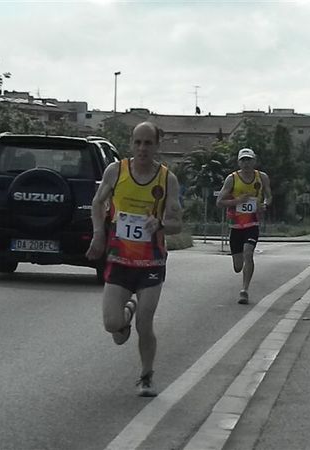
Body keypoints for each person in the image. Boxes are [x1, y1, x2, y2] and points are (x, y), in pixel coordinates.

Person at [86, 121, 182, 397]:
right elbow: (97, 203)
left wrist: (161, 224)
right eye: (137, 142)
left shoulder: (167, 180)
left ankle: (146, 375)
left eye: (148, 143)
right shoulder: (116, 172)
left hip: (151, 264)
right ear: (131, 144)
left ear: (157, 146)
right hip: (119, 260)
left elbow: (177, 224)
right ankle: (125, 313)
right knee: (112, 326)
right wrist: (98, 234)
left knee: (145, 322)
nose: (142, 148)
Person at [216, 148, 272, 305]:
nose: (246, 163)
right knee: (237, 266)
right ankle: (242, 278)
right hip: (235, 226)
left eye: (249, 160)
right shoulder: (232, 179)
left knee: (249, 253)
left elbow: (269, 196)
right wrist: (237, 201)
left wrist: (265, 205)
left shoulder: (262, 177)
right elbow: (219, 202)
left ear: (254, 161)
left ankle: (244, 290)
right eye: (243, 160)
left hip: (252, 223)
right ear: (238, 162)